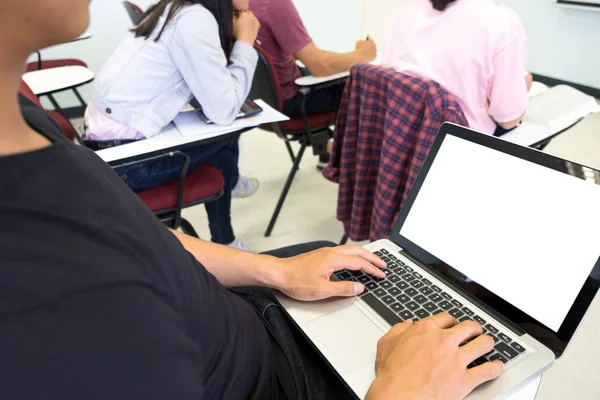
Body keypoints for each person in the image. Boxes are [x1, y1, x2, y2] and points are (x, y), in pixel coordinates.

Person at [0, 0, 503, 397]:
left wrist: (273, 270)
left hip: (245, 312)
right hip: (273, 376)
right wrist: (403, 391)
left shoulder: (24, 121)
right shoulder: (47, 298)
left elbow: (138, 232)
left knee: (367, 270)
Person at [84, 0, 262, 250]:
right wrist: (245, 41)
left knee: (221, 144)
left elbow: (209, 93)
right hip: (129, 162)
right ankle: (230, 194)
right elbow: (225, 110)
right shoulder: (195, 20)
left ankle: (227, 236)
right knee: (227, 134)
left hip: (104, 146)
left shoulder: (172, 7)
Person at [249, 0, 377, 169]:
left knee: (335, 73)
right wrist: (363, 54)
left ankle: (328, 151)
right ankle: (354, 162)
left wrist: (351, 57)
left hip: (258, 100)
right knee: (367, 87)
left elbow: (305, 56)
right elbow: (320, 66)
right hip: (289, 103)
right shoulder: (274, 3)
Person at [382, 0, 533, 137]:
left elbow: (388, 74)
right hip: (454, 145)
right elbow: (508, 119)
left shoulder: (407, 8)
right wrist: (521, 87)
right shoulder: (501, 21)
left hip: (397, 135)